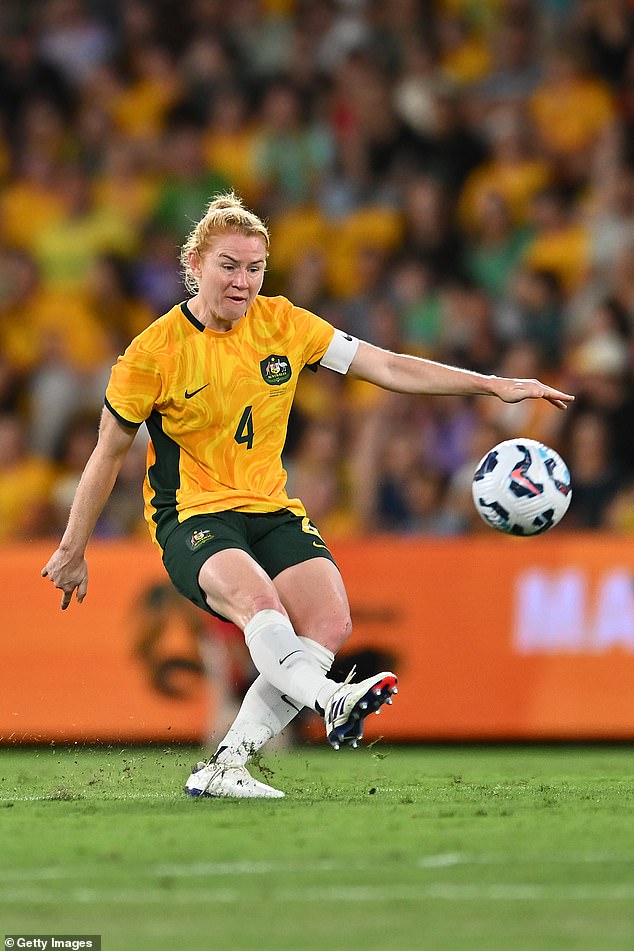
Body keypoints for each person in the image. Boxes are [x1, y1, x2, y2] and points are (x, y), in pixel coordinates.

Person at [41, 192, 575, 799]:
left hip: (271, 510)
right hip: (194, 517)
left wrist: (494, 385)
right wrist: (73, 547)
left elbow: (390, 366)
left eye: (255, 268)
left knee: (330, 619)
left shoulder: (286, 324)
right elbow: (108, 451)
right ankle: (332, 698)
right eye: (229, 265)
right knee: (260, 602)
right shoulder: (151, 352)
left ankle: (225, 766)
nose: (243, 281)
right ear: (194, 263)